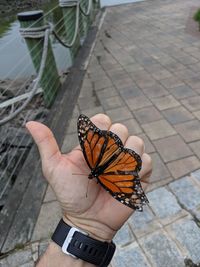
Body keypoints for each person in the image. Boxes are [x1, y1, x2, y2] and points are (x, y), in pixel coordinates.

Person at [26, 113, 152, 267]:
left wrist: (83, 226)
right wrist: (87, 227)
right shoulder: (104, 177)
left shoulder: (99, 173)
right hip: (114, 160)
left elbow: (126, 189)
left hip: (109, 163)